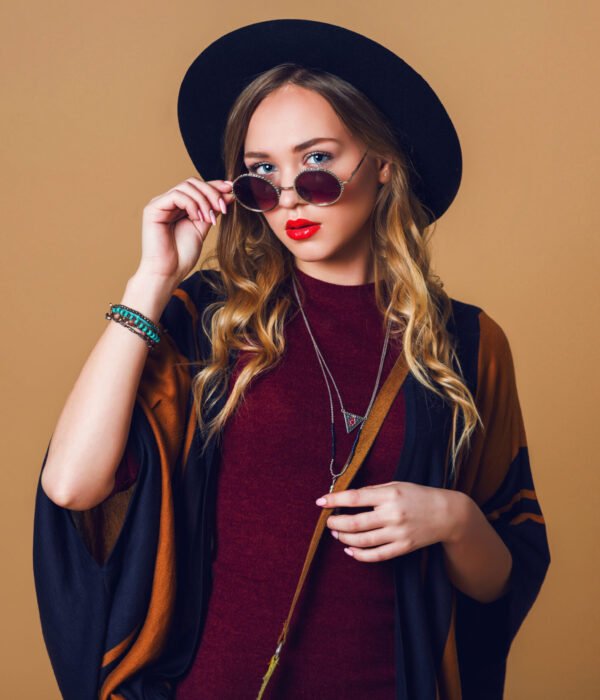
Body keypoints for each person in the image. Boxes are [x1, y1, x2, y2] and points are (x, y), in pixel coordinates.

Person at [33, 19, 551, 700]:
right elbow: (72, 487)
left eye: (318, 163)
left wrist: (451, 518)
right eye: (262, 174)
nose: (289, 197)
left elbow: (504, 575)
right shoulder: (207, 318)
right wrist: (150, 283)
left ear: (383, 163)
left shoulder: (469, 343)